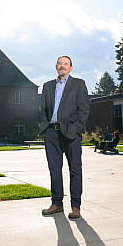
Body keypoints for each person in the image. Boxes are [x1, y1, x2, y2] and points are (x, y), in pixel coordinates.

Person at [39, 55, 90, 219]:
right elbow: (42, 110)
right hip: (52, 133)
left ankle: (76, 206)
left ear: (71, 68)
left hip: (70, 133)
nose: (62, 66)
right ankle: (57, 203)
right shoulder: (47, 86)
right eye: (60, 64)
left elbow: (84, 109)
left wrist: (77, 129)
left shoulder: (78, 84)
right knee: (54, 170)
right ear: (56, 67)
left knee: (75, 170)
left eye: (65, 64)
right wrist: (45, 128)